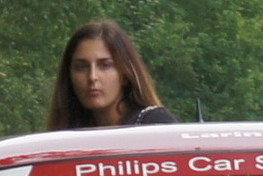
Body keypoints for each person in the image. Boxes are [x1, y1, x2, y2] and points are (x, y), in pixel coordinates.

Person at [48, 19, 178, 132]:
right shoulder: (66, 134)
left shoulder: (154, 125)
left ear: (125, 74)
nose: (92, 77)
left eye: (105, 65)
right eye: (82, 67)